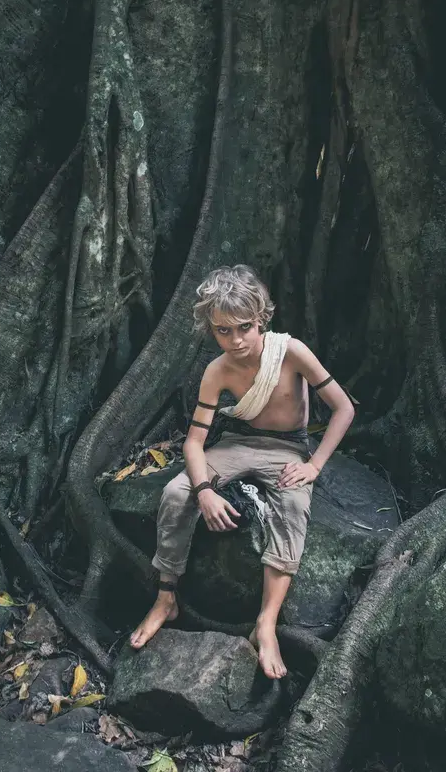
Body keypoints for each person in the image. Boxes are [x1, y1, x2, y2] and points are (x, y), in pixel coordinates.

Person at [130, 265, 355, 678]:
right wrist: (204, 492)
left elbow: (344, 409)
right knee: (176, 493)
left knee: (291, 506)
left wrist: (313, 465)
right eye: (222, 331)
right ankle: (166, 597)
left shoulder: (291, 352)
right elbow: (194, 444)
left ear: (261, 319)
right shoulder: (217, 371)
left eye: (244, 327)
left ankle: (265, 623)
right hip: (237, 443)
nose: (234, 340)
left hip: (287, 448)